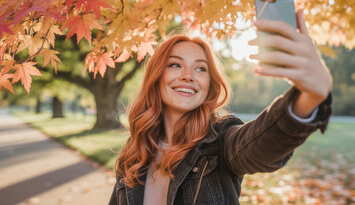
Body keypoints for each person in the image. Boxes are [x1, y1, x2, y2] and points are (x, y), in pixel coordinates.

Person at [108, 10, 333, 205]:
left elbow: (260, 144)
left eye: (200, 69)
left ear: (209, 85)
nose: (188, 76)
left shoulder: (220, 140)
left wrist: (309, 97)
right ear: (156, 77)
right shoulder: (135, 153)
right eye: (175, 65)